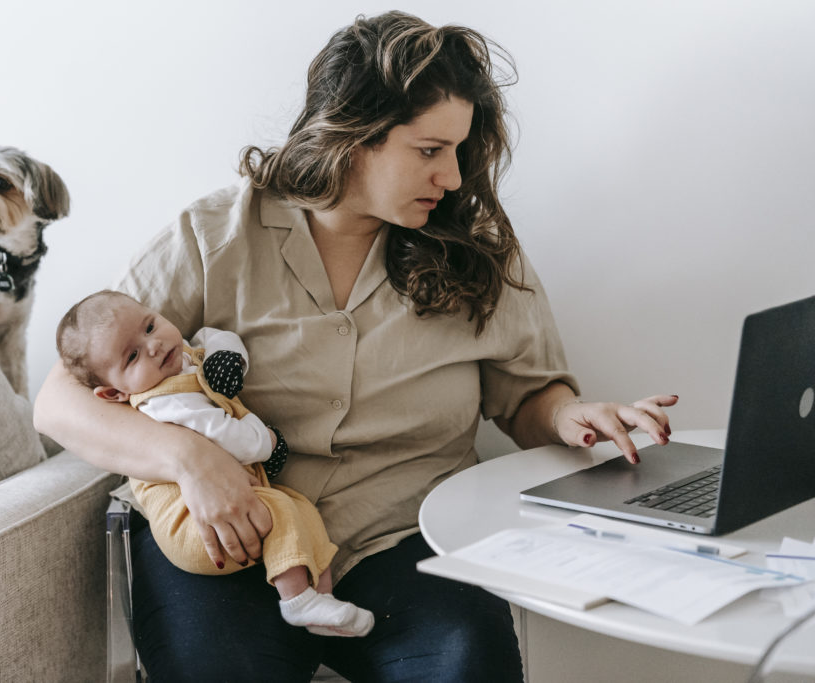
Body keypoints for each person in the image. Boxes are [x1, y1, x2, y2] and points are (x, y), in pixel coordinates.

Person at [34, 10, 677, 681]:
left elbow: (526, 394)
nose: (454, 177)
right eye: (430, 151)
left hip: (406, 539)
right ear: (351, 136)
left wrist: (567, 416)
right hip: (232, 539)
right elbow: (58, 403)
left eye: (457, 150)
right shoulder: (215, 235)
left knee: (469, 666)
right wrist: (190, 455)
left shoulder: (476, 242)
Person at [54, 289, 374, 637]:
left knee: (302, 510)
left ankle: (321, 600)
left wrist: (228, 357)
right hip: (194, 526)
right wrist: (267, 441)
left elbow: (211, 336)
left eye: (150, 326)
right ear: (115, 394)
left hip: (231, 501)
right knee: (281, 511)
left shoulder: (183, 357)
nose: (154, 346)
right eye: (132, 356)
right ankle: (296, 599)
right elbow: (227, 437)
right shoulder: (163, 403)